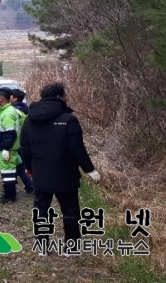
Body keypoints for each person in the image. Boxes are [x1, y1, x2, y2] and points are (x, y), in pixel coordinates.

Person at [20, 83, 100, 255]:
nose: (67, 97)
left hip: (40, 173)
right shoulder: (68, 119)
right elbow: (77, 148)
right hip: (66, 174)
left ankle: (42, 247)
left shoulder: (30, 119)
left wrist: (29, 168)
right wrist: (90, 170)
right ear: (59, 97)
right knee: (70, 211)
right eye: (65, 95)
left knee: (41, 210)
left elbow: (24, 148)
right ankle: (71, 248)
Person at [0, 87, 22, 203]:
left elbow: (10, 133)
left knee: (8, 174)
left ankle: (9, 196)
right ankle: (8, 194)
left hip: (8, 149)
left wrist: (6, 148)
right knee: (7, 173)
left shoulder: (8, 113)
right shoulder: (5, 110)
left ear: (0, 98)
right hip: (7, 148)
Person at [10, 89, 34, 194]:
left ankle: (30, 186)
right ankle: (29, 186)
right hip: (24, 142)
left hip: (17, 143)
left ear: (14, 98)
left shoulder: (14, 111)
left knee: (19, 166)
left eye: (10, 96)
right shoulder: (25, 108)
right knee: (19, 166)